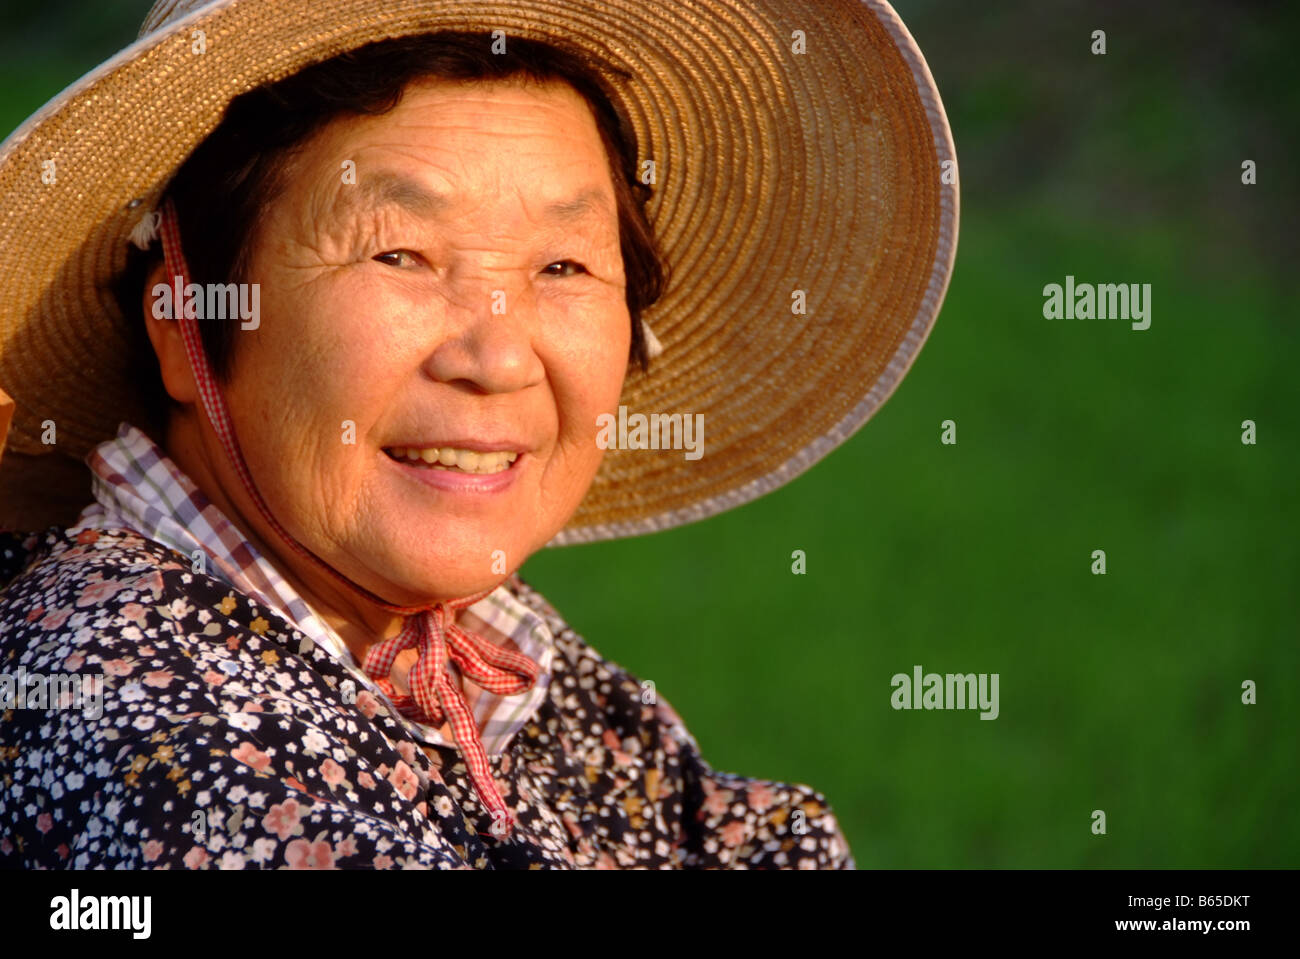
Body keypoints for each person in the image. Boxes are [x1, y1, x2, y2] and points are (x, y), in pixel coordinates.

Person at [0, 0, 957, 869]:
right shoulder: (137, 723)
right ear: (186, 322)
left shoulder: (472, 649)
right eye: (399, 254)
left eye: (565, 265)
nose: (497, 358)